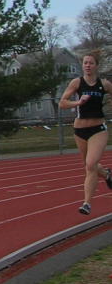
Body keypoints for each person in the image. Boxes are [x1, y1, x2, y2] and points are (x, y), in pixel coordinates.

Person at [58, 51, 112, 215]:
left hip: (98, 129)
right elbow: (62, 103)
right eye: (85, 63)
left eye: (91, 63)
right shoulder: (77, 83)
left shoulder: (104, 84)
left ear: (96, 66)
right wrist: (78, 102)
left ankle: (87, 203)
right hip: (80, 130)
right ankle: (107, 173)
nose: (88, 66)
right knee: (91, 166)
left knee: (90, 165)